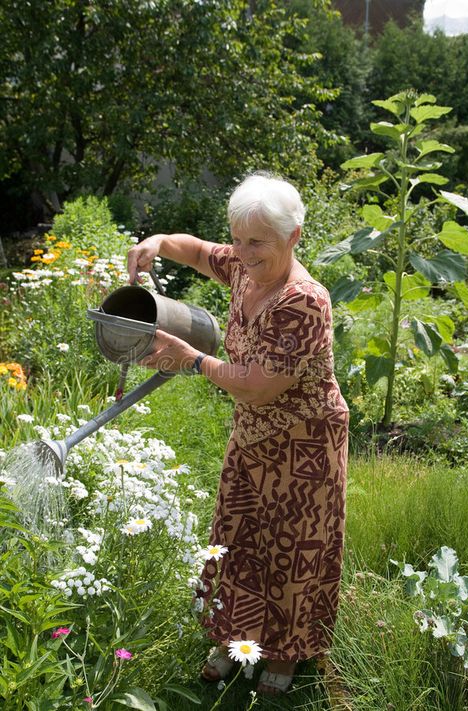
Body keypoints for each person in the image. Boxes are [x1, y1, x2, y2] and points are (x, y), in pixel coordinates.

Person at [127, 173, 350, 696]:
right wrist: (157, 242)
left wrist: (193, 359)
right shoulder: (248, 267)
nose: (243, 253)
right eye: (239, 238)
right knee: (237, 538)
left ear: (293, 236)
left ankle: (287, 654)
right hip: (253, 437)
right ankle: (234, 636)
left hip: (305, 443)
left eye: (257, 242)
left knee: (295, 549)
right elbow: (200, 251)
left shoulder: (304, 302)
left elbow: (255, 387)